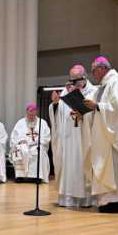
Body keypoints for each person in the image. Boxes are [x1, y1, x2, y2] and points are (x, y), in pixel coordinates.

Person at [78, 56, 118, 213]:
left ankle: (115, 202)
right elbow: (94, 106)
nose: (93, 74)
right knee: (106, 168)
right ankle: (108, 201)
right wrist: (83, 112)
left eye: (94, 70)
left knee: (112, 169)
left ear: (102, 68)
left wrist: (97, 106)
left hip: (112, 136)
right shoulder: (104, 85)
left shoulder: (115, 82)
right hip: (103, 135)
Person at [49, 65, 97, 208]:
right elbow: (59, 117)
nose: (73, 83)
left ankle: (86, 200)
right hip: (68, 139)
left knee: (83, 166)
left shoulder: (93, 93)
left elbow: (98, 115)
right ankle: (67, 199)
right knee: (68, 166)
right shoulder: (65, 92)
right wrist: (56, 104)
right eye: (71, 80)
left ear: (84, 78)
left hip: (84, 139)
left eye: (76, 80)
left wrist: (84, 116)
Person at [10, 103, 51, 183]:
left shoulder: (42, 123)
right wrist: (21, 141)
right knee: (20, 149)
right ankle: (20, 176)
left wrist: (36, 142)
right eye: (29, 114)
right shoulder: (20, 123)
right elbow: (14, 136)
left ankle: (38, 176)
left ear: (36, 113)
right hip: (23, 145)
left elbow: (46, 137)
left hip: (37, 145)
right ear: (26, 113)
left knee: (39, 150)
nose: (31, 116)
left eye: (32, 115)